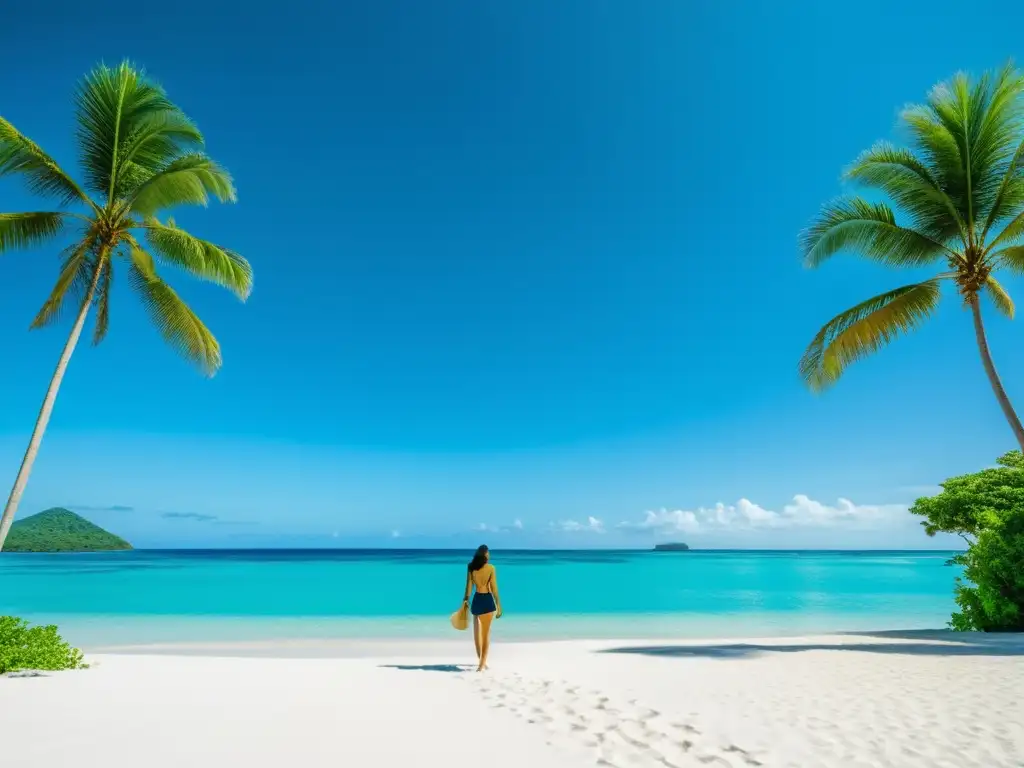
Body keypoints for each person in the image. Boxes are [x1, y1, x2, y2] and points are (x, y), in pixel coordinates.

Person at [463, 544, 502, 671]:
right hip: (487, 600)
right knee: (485, 635)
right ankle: (481, 664)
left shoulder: (471, 567)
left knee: (476, 635)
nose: (489, 555)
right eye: (488, 553)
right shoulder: (491, 568)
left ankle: (481, 661)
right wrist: (498, 605)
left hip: (477, 600)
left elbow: (469, 586)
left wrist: (466, 600)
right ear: (485, 554)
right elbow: (494, 588)